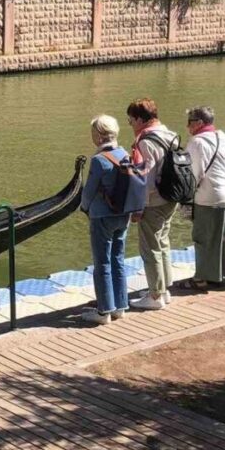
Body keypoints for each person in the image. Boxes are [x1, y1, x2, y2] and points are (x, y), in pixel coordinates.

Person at [181, 107, 225, 289]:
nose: (187, 126)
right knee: (223, 236)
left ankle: (202, 278)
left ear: (200, 123)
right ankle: (219, 274)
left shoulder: (197, 142)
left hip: (210, 196)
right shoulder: (224, 137)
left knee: (203, 237)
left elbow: (194, 173)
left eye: (190, 122)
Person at [78, 115, 132, 325]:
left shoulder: (99, 160)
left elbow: (89, 192)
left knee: (102, 262)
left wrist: (84, 208)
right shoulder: (125, 154)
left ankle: (104, 311)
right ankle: (120, 306)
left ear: (99, 136)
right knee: (118, 258)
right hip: (123, 214)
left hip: (102, 216)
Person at [126, 98, 179, 311]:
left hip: (153, 201)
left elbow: (145, 179)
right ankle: (163, 289)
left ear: (140, 119)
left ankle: (155, 295)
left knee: (150, 247)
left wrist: (138, 207)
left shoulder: (146, 141)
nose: (130, 125)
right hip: (171, 197)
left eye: (131, 120)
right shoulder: (170, 135)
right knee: (163, 242)